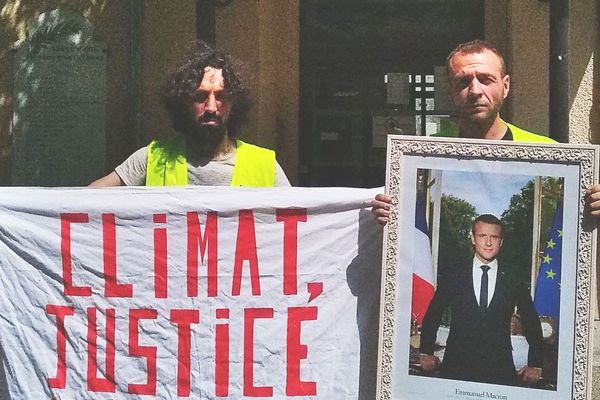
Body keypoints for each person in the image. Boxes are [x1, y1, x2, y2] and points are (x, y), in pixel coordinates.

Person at [371, 39, 600, 223]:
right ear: (450, 90)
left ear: (506, 86)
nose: (475, 91)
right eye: (463, 82)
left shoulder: (549, 155)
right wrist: (392, 215)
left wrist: (591, 206)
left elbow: (565, 227)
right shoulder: (423, 158)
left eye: (486, 79)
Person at [90, 41, 289, 188]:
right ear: (183, 101)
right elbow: (83, 202)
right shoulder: (153, 158)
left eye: (221, 96)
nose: (211, 107)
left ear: (235, 103)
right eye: (200, 96)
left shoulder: (265, 166)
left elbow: (299, 227)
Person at [419, 214, 544, 386]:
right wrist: (426, 352)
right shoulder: (455, 272)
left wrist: (535, 363)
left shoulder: (513, 276)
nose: (488, 242)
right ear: (473, 238)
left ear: (501, 242)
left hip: (500, 370)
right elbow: (435, 312)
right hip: (456, 368)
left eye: (494, 237)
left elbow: (530, 319)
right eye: (482, 236)